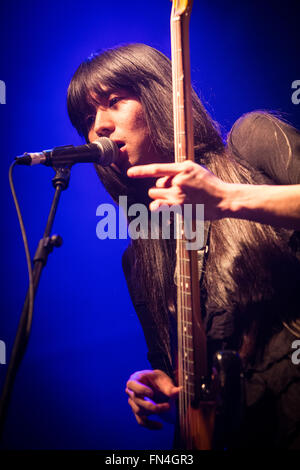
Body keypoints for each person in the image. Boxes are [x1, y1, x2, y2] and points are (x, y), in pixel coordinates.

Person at [67, 43, 300, 449]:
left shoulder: (253, 142)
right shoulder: (140, 257)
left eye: (114, 101)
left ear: (158, 95)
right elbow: (188, 387)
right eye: (88, 118)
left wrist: (228, 199)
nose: (98, 126)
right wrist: (170, 394)